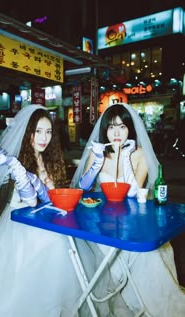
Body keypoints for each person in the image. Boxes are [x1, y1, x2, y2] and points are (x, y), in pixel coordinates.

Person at [0, 104, 85, 317]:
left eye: (48, 132)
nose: (44, 137)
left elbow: (49, 197)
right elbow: (30, 201)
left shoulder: (46, 159)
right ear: (27, 132)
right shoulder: (16, 160)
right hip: (19, 225)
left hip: (42, 220)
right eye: (38, 131)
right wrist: (20, 171)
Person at [71, 103, 185, 316]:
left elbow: (134, 193)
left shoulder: (139, 154)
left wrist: (125, 158)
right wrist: (95, 162)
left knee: (146, 256)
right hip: (101, 220)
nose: (116, 132)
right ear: (105, 129)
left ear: (130, 130)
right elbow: (83, 187)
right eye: (111, 127)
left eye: (122, 127)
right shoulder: (98, 152)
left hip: (131, 220)